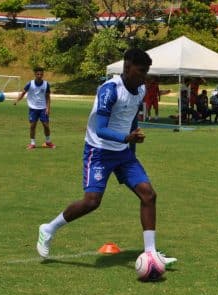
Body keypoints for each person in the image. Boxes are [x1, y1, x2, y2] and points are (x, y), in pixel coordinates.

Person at [36, 48, 177, 266]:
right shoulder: (109, 91)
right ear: (127, 68)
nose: (144, 77)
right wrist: (126, 138)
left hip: (123, 153)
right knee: (92, 202)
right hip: (99, 150)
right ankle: (48, 228)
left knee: (148, 195)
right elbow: (100, 129)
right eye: (141, 71)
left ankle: (150, 253)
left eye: (146, 72)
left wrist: (131, 147)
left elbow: (131, 120)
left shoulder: (140, 89)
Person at [14, 67, 55, 149]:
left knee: (46, 125)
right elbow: (23, 93)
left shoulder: (46, 84)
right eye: (38, 74)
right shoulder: (30, 84)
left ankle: (48, 142)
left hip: (43, 108)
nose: (39, 75)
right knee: (33, 126)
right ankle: (32, 143)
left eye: (41, 74)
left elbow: (48, 97)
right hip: (33, 108)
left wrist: (48, 108)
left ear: (43, 74)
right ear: (35, 74)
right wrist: (17, 100)